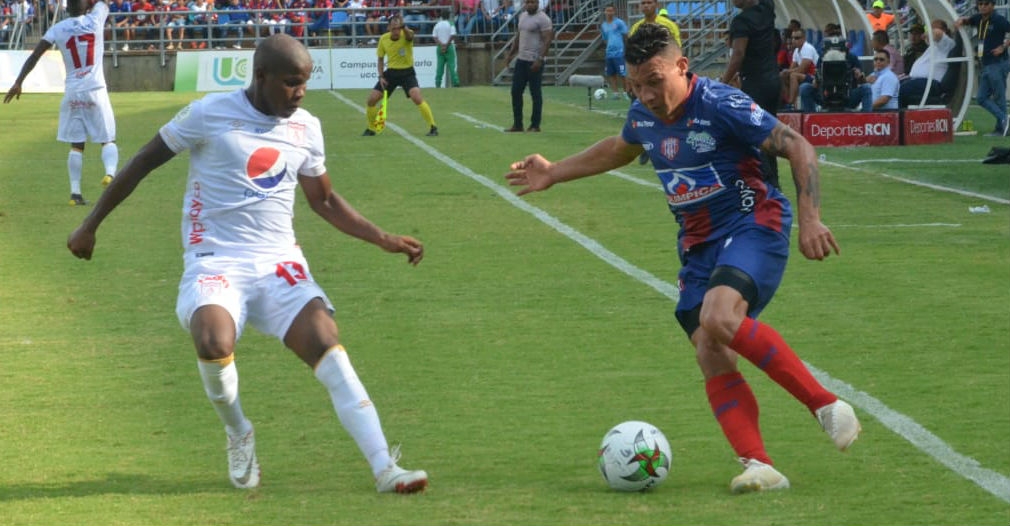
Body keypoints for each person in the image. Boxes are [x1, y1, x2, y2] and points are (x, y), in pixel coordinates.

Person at [504, 23, 860, 494]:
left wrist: (812, 219)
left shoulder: (720, 104)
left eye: (655, 81)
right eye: (637, 85)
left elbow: (798, 146)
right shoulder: (643, 114)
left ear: (682, 67)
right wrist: (554, 172)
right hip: (697, 245)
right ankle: (760, 465)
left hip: (754, 223)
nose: (647, 95)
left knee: (719, 316)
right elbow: (620, 148)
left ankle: (826, 405)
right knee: (709, 349)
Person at [66, 34, 429, 494]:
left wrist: (383, 238)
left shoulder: (306, 127)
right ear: (260, 76)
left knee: (327, 344)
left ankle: (385, 468)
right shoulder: (209, 113)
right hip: (214, 258)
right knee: (212, 341)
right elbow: (142, 162)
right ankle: (238, 432)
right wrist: (90, 224)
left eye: (305, 83)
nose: (300, 93)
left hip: (278, 262)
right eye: (291, 82)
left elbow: (324, 200)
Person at [4, 0, 119, 206]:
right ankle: (110, 174)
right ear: (87, 6)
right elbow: (103, 3)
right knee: (107, 140)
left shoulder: (57, 28)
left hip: (73, 93)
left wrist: (19, 81)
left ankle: (75, 194)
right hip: (95, 89)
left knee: (77, 145)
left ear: (67, 8)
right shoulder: (96, 17)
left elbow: (35, 55)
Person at [722, 0, 781, 189]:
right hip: (773, 80)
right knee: (770, 133)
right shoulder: (767, 9)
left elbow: (738, 55)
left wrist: (722, 83)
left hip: (755, 83)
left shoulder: (741, 22)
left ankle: (767, 184)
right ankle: (774, 183)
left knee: (756, 136)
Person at [362, 15, 439, 137]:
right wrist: (381, 77)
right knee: (371, 100)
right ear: (388, 28)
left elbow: (410, 37)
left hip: (407, 73)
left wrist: (404, 27)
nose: (396, 31)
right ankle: (371, 128)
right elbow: (380, 59)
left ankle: (433, 126)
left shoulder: (407, 34)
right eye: (394, 28)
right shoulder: (384, 39)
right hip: (391, 73)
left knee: (416, 97)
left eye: (398, 28)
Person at [956, 0, 1010, 137]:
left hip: (997, 63)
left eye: (986, 4)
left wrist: (1003, 47)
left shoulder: (999, 20)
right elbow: (968, 20)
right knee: (981, 97)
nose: (983, 7)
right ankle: (1004, 120)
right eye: (980, 4)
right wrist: (962, 20)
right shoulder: (978, 19)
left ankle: (1001, 128)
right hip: (985, 63)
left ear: (993, 5)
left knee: (999, 97)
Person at [798, 23, 871, 113]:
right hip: (825, 95)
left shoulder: (851, 57)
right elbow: (815, 83)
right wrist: (816, 79)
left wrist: (859, 76)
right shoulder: (822, 58)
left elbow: (863, 81)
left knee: (866, 88)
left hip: (848, 95)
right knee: (805, 88)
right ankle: (810, 117)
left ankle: (866, 118)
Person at [503, 0, 551, 132]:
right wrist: (511, 54)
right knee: (515, 91)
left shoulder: (543, 19)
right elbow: (519, 36)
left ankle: (535, 125)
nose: (530, 5)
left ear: (537, 3)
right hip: (521, 59)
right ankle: (518, 124)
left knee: (535, 93)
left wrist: (540, 59)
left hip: (534, 60)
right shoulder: (522, 16)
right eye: (528, 2)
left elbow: (547, 40)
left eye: (532, 2)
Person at [899, 19, 956, 107]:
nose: (931, 31)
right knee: (891, 86)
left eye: (933, 28)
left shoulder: (948, 44)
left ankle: (898, 114)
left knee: (901, 90)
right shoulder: (932, 47)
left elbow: (937, 33)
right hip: (917, 80)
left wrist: (927, 33)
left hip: (931, 83)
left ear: (944, 31)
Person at [779, 27, 818, 110]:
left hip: (814, 77)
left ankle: (791, 103)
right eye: (792, 38)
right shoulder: (796, 51)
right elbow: (791, 68)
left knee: (793, 76)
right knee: (783, 76)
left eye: (797, 38)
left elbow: (802, 69)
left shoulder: (807, 48)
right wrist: (785, 72)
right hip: (805, 76)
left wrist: (788, 71)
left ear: (803, 38)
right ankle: (786, 102)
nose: (793, 40)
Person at [599, 2, 628, 100]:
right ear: (604, 12)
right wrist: (608, 47)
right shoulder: (603, 25)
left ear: (614, 11)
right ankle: (616, 93)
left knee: (622, 73)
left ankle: (626, 92)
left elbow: (626, 35)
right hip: (609, 53)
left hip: (619, 52)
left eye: (611, 11)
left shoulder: (619, 22)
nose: (609, 13)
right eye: (607, 11)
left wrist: (626, 49)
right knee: (611, 74)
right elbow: (605, 38)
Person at [432, 9, 460, 87]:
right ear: (449, 16)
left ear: (441, 16)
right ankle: (455, 83)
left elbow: (434, 36)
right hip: (449, 46)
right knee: (452, 66)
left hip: (439, 48)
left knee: (439, 67)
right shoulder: (451, 24)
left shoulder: (437, 24)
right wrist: (446, 45)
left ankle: (438, 84)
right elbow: (453, 35)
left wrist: (441, 45)